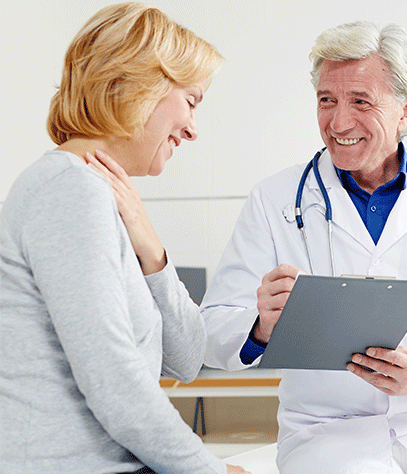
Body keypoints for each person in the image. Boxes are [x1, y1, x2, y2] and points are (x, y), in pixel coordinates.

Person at [201, 20, 407, 473]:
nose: (339, 122)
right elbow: (212, 330)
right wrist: (259, 326)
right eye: (326, 101)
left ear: (405, 110)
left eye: (361, 102)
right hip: (327, 437)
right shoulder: (274, 200)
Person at [0, 3, 247, 473]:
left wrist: (152, 250)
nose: (193, 130)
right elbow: (115, 381)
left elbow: (187, 359)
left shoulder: (99, 196)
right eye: (191, 101)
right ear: (139, 85)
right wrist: (207, 470)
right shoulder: (68, 190)